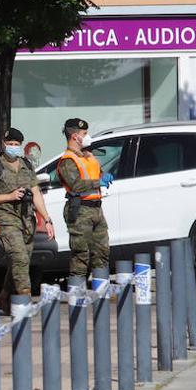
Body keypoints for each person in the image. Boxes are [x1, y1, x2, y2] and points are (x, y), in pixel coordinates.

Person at [0, 127, 53, 314]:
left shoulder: (26, 165)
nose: (13, 147)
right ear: (4, 144)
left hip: (27, 220)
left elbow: (36, 193)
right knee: (19, 258)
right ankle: (24, 301)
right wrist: (9, 196)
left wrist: (47, 219)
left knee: (20, 262)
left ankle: (4, 299)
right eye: (10, 144)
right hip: (7, 219)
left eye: (16, 144)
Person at [57, 117, 112, 278]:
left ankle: (101, 290)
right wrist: (98, 181)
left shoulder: (87, 155)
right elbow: (76, 185)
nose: (88, 136)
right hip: (80, 209)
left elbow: (97, 173)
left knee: (102, 252)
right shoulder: (67, 160)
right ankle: (77, 293)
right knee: (81, 254)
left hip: (96, 208)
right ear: (75, 136)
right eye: (85, 133)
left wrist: (103, 176)